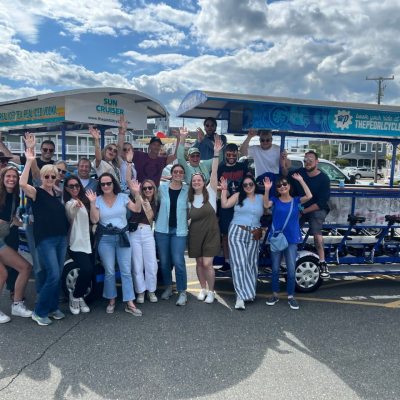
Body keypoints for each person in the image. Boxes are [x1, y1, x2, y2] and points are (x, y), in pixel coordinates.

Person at [20, 148, 69, 326]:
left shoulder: (57, 193)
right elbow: (22, 183)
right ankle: (40, 312)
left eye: (53, 176)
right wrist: (29, 160)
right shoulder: (36, 192)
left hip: (61, 238)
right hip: (46, 240)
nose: (49, 179)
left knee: (56, 273)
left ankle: (53, 307)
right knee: (54, 275)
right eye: (46, 176)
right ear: (42, 177)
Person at [86, 173, 142, 316]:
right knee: (109, 271)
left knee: (126, 270)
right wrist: (92, 203)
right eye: (103, 184)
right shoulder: (97, 200)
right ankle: (111, 299)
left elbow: (137, 209)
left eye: (108, 183)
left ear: (113, 184)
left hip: (123, 236)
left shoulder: (123, 197)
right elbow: (94, 220)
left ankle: (129, 302)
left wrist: (137, 193)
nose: (106, 186)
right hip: (105, 239)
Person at [220, 174, 269, 310]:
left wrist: (267, 189)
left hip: (256, 231)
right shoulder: (237, 196)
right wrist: (224, 190)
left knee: (251, 263)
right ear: (242, 187)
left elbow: (267, 205)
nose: (248, 187)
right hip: (237, 230)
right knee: (239, 263)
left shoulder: (260, 198)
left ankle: (249, 293)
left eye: (250, 184)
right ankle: (240, 296)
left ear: (254, 185)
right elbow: (224, 205)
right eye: (245, 185)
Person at [264, 174, 312, 310]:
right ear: (277, 190)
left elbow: (309, 196)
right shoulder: (275, 200)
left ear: (289, 186)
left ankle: (291, 296)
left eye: (285, 184)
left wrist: (301, 180)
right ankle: (275, 294)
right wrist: (267, 189)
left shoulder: (296, 200)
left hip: (291, 239)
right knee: (274, 268)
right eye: (279, 186)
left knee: (291, 269)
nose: (282, 187)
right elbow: (266, 205)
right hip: (277, 239)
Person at [188, 136, 222, 304]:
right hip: (195, 233)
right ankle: (202, 288)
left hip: (210, 232)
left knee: (208, 263)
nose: (196, 182)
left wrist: (216, 153)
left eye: (199, 180)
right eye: (194, 181)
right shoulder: (189, 197)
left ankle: (211, 291)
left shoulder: (211, 190)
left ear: (203, 181)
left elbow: (214, 172)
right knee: (199, 262)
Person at [289, 150, 331, 279]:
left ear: (317, 161)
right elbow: (285, 172)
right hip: (302, 205)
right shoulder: (299, 172)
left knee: (316, 230)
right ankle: (289, 256)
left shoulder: (324, 178)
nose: (307, 162)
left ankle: (323, 262)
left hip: (317, 208)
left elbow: (321, 203)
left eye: (310, 159)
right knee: (291, 225)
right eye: (306, 159)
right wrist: (284, 160)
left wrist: (303, 211)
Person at [0, 166, 33, 323]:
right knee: (3, 274)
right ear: (3, 177)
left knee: (25, 267)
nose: (11, 179)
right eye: (8, 176)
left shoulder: (14, 197)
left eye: (14, 176)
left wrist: (28, 224)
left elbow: (12, 218)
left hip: (2, 238)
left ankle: (17, 305)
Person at [154, 164, 188, 306]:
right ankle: (168, 287)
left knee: (178, 261)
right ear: (171, 173)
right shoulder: (161, 188)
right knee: (164, 261)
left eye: (180, 172)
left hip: (179, 231)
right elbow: (153, 203)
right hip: (162, 229)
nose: (178, 174)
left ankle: (182, 292)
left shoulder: (188, 190)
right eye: (175, 172)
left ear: (183, 174)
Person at [63, 175, 93, 315]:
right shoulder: (69, 203)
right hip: (76, 243)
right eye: (71, 186)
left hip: (89, 242)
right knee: (87, 270)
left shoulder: (85, 201)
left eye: (77, 185)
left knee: (90, 271)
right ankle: (75, 296)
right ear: (67, 189)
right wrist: (76, 205)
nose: (75, 188)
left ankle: (80, 296)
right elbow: (70, 213)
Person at [126, 177, 159, 304]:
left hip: (147, 232)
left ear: (153, 189)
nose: (147, 190)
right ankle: (140, 291)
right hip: (134, 233)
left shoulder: (157, 202)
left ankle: (151, 290)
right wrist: (136, 192)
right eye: (144, 188)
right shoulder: (137, 199)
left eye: (150, 187)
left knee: (151, 264)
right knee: (137, 264)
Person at [217, 143, 248, 270]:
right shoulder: (221, 167)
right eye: (228, 154)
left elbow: (249, 183)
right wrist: (224, 190)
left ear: (237, 154)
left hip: (241, 204)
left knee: (242, 233)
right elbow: (216, 184)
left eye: (233, 154)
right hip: (226, 204)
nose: (231, 156)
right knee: (226, 234)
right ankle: (227, 261)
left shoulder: (243, 166)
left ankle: (239, 260)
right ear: (225, 154)